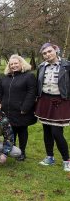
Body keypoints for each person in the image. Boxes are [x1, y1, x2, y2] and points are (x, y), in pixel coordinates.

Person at [35, 43, 70, 171]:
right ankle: (50, 156)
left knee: (57, 133)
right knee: (47, 131)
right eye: (44, 53)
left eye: (49, 51)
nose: (47, 55)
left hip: (60, 101)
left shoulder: (67, 65)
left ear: (55, 50)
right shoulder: (41, 67)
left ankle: (67, 160)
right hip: (45, 100)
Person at [0, 54, 37, 161]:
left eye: (16, 63)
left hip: (21, 110)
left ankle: (22, 152)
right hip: (6, 111)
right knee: (10, 131)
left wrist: (25, 108)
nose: (13, 66)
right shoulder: (5, 77)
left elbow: (31, 93)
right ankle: (12, 151)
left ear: (21, 63)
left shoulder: (29, 76)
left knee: (22, 130)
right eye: (11, 64)